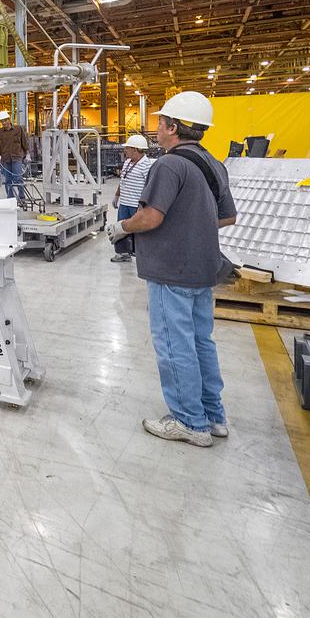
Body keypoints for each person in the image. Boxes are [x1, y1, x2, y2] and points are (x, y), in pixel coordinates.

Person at [107, 92, 237, 447]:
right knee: (200, 342)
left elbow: (150, 216)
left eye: (161, 123)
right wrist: (192, 225)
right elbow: (227, 216)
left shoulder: (168, 165)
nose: (157, 130)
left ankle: (189, 422)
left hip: (171, 270)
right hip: (203, 266)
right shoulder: (214, 163)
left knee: (173, 344)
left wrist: (122, 228)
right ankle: (213, 416)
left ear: (173, 127)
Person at [110, 134, 153, 264]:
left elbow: (150, 186)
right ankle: (123, 253)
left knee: (139, 230)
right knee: (121, 228)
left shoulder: (146, 165)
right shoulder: (127, 162)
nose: (125, 150)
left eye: (127, 148)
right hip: (125, 203)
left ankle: (141, 253)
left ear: (135, 149)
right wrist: (117, 195)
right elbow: (123, 180)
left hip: (136, 205)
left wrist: (144, 204)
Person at [0, 109, 29, 200]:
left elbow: (24, 142)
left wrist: (27, 154)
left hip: (17, 158)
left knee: (18, 178)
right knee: (8, 180)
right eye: (2, 121)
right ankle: (10, 199)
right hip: (5, 159)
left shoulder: (18, 129)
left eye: (5, 120)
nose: (4, 123)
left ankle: (22, 198)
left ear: (9, 119)